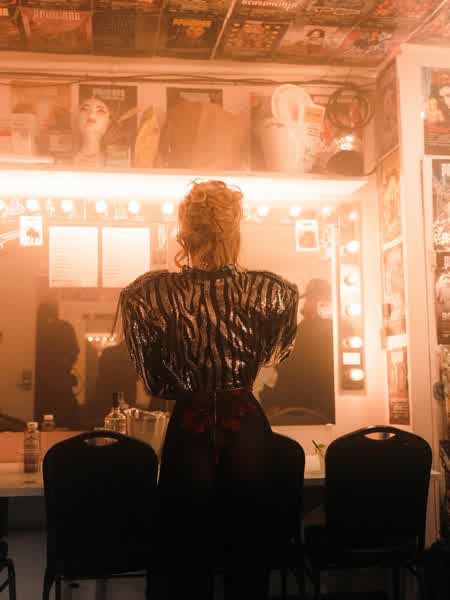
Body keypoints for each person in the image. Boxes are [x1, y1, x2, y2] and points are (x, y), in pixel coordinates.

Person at [116, 180, 299, 600]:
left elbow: (156, 382)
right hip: (245, 424)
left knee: (186, 554)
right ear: (235, 229)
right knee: (248, 555)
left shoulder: (149, 295)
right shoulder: (272, 293)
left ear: (185, 231)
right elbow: (274, 354)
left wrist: (191, 380)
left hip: (190, 424)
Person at [261, 278, 334, 425]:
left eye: (310, 299)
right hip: (321, 409)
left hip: (296, 407)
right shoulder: (335, 332)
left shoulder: (300, 332)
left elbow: (285, 369)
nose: (306, 303)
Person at [35, 302, 80, 429]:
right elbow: (75, 351)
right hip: (62, 380)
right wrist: (66, 364)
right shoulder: (66, 327)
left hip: (40, 382)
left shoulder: (35, 328)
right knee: (67, 419)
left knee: (41, 419)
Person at [73, 96, 111, 167]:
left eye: (100, 111)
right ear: (76, 119)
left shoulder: (110, 162)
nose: (91, 115)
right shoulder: (70, 159)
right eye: (85, 109)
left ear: (108, 123)